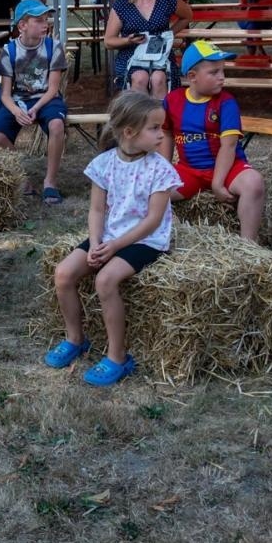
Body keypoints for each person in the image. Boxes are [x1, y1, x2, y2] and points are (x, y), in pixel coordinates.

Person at [43, 91, 180, 388]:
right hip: (109, 235)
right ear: (129, 132)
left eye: (161, 127)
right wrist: (95, 243)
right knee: (64, 273)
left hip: (146, 240)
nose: (161, 134)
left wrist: (114, 246)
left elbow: (153, 220)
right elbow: (96, 209)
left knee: (105, 280)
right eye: (154, 128)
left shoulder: (160, 169)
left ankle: (118, 357)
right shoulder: (104, 164)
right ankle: (75, 339)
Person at [160, 40, 266, 241]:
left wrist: (217, 183)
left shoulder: (226, 102)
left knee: (254, 184)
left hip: (228, 169)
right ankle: (173, 234)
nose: (222, 78)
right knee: (151, 190)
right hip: (189, 170)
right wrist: (163, 168)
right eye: (214, 72)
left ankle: (249, 245)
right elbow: (166, 134)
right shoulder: (173, 100)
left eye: (223, 72)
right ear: (192, 77)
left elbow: (229, 145)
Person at [0, 0, 69, 204]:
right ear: (22, 25)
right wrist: (17, 111)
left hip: (46, 98)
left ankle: (50, 182)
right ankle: (23, 179)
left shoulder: (54, 47)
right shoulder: (10, 50)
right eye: (39, 20)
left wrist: (35, 108)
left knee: (57, 125)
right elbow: (6, 94)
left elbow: (53, 89)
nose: (46, 24)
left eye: (46, 19)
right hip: (19, 99)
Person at [103, 0, 194, 96]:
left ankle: (160, 117)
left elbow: (187, 15)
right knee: (140, 78)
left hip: (160, 54)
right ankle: (139, 117)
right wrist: (128, 40)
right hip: (131, 54)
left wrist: (169, 33)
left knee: (159, 78)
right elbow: (109, 41)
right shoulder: (122, 5)